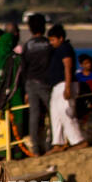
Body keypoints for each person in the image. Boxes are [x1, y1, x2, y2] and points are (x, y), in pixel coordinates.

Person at [45, 23, 85, 152]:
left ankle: (78, 140)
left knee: (66, 113)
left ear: (60, 38)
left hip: (65, 84)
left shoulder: (65, 48)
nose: (51, 43)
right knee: (55, 115)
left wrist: (67, 87)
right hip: (57, 85)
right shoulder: (57, 50)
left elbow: (68, 66)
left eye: (53, 40)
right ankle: (58, 142)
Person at [21, 13, 54, 155]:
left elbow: (23, 67)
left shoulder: (27, 45)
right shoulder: (48, 44)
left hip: (30, 83)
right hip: (46, 82)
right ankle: (50, 143)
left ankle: (35, 147)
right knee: (52, 113)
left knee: (34, 115)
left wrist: (25, 90)